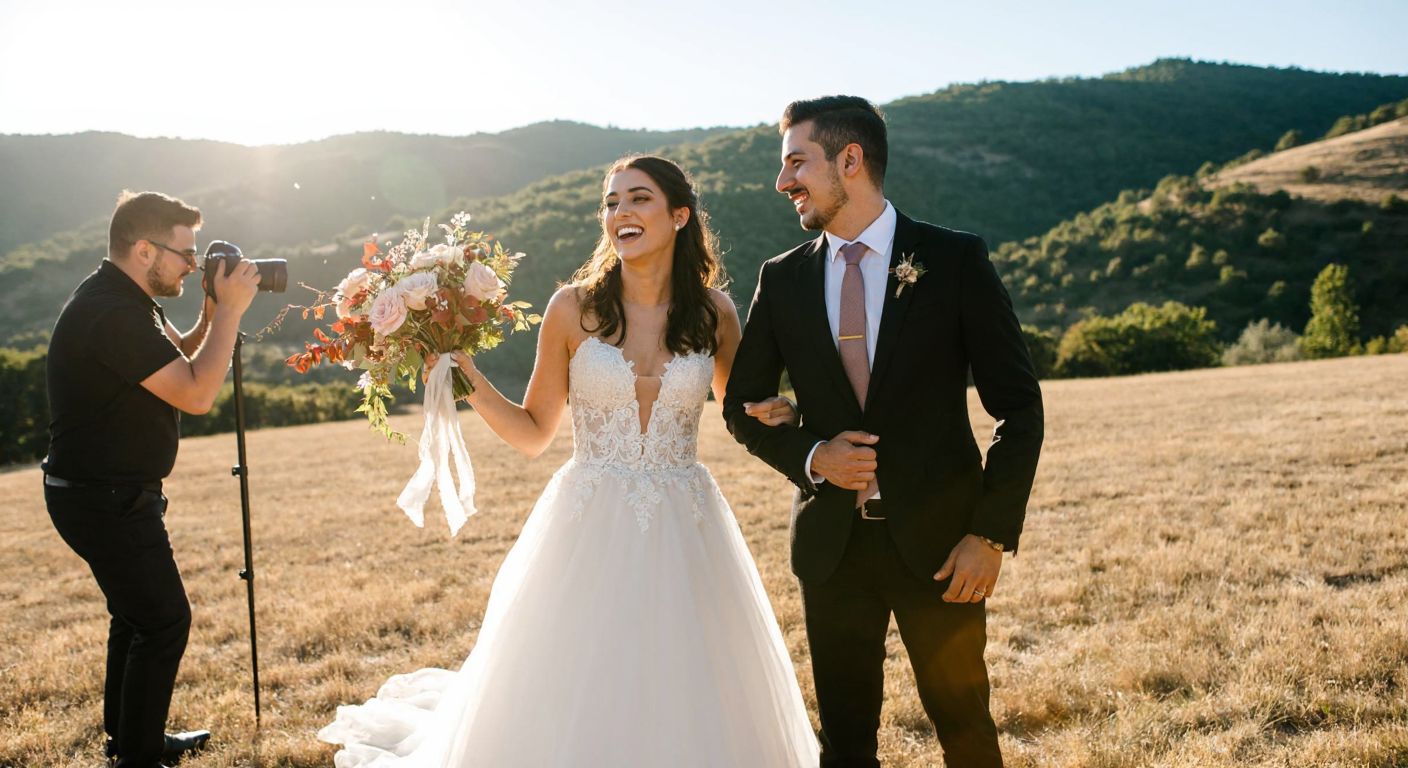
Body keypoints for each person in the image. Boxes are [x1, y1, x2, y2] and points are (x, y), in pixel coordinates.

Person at [318, 155, 819, 766]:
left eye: (637, 199)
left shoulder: (715, 313)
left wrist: (784, 413)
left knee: (691, 670)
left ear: (679, 216)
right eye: (610, 203)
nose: (619, 213)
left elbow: (739, 407)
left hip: (687, 519)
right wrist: (464, 374)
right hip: (589, 518)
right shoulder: (570, 309)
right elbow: (533, 434)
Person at [723, 96, 1045, 768]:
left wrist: (989, 534)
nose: (783, 183)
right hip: (832, 552)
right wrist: (812, 453)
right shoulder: (782, 279)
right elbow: (742, 404)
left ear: (851, 159)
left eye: (795, 163)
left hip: (942, 548)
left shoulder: (953, 261)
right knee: (844, 745)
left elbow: (1019, 407)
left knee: (965, 728)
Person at [43, 190, 261, 768]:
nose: (192, 266)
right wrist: (234, 312)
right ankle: (137, 757)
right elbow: (195, 392)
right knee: (165, 621)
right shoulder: (112, 313)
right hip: (103, 499)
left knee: (135, 616)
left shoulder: (124, 299)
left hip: (105, 493)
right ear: (144, 250)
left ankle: (129, 737)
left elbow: (174, 362)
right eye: (184, 254)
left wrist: (212, 318)